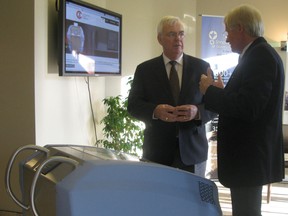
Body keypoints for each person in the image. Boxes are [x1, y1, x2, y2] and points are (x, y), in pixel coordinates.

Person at [199, 5, 285, 216]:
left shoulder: (260, 57)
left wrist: (209, 91)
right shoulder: (258, 54)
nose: (226, 38)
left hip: (249, 159)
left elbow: (248, 108)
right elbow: (247, 101)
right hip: (249, 158)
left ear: (240, 29)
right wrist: (222, 92)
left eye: (228, 31)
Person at [127, 16, 216, 177]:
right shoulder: (145, 70)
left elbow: (215, 105)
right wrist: (155, 110)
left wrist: (197, 112)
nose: (178, 39)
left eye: (181, 34)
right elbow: (133, 105)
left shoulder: (202, 67)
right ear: (160, 39)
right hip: (157, 153)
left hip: (193, 152)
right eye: (171, 34)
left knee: (191, 201)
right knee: (158, 200)